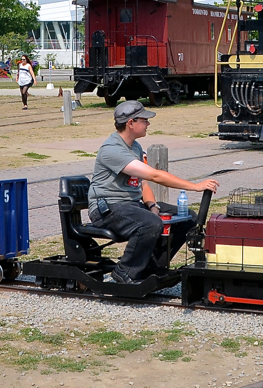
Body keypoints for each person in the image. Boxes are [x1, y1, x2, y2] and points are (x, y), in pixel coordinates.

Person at [87, 100, 219, 285]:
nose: (148, 123)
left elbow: (142, 184)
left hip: (131, 206)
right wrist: (196, 186)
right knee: (150, 223)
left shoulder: (135, 147)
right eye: (144, 120)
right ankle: (124, 271)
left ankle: (150, 266)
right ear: (130, 123)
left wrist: (152, 205)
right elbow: (155, 176)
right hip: (107, 208)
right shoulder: (112, 150)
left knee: (187, 218)